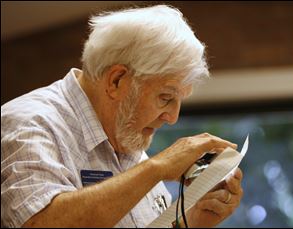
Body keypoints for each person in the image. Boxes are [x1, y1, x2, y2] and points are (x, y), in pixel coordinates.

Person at [1, 5, 243, 228]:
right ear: (116, 81)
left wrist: (192, 220)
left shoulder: (125, 135)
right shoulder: (28, 122)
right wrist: (158, 167)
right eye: (166, 97)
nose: (172, 117)